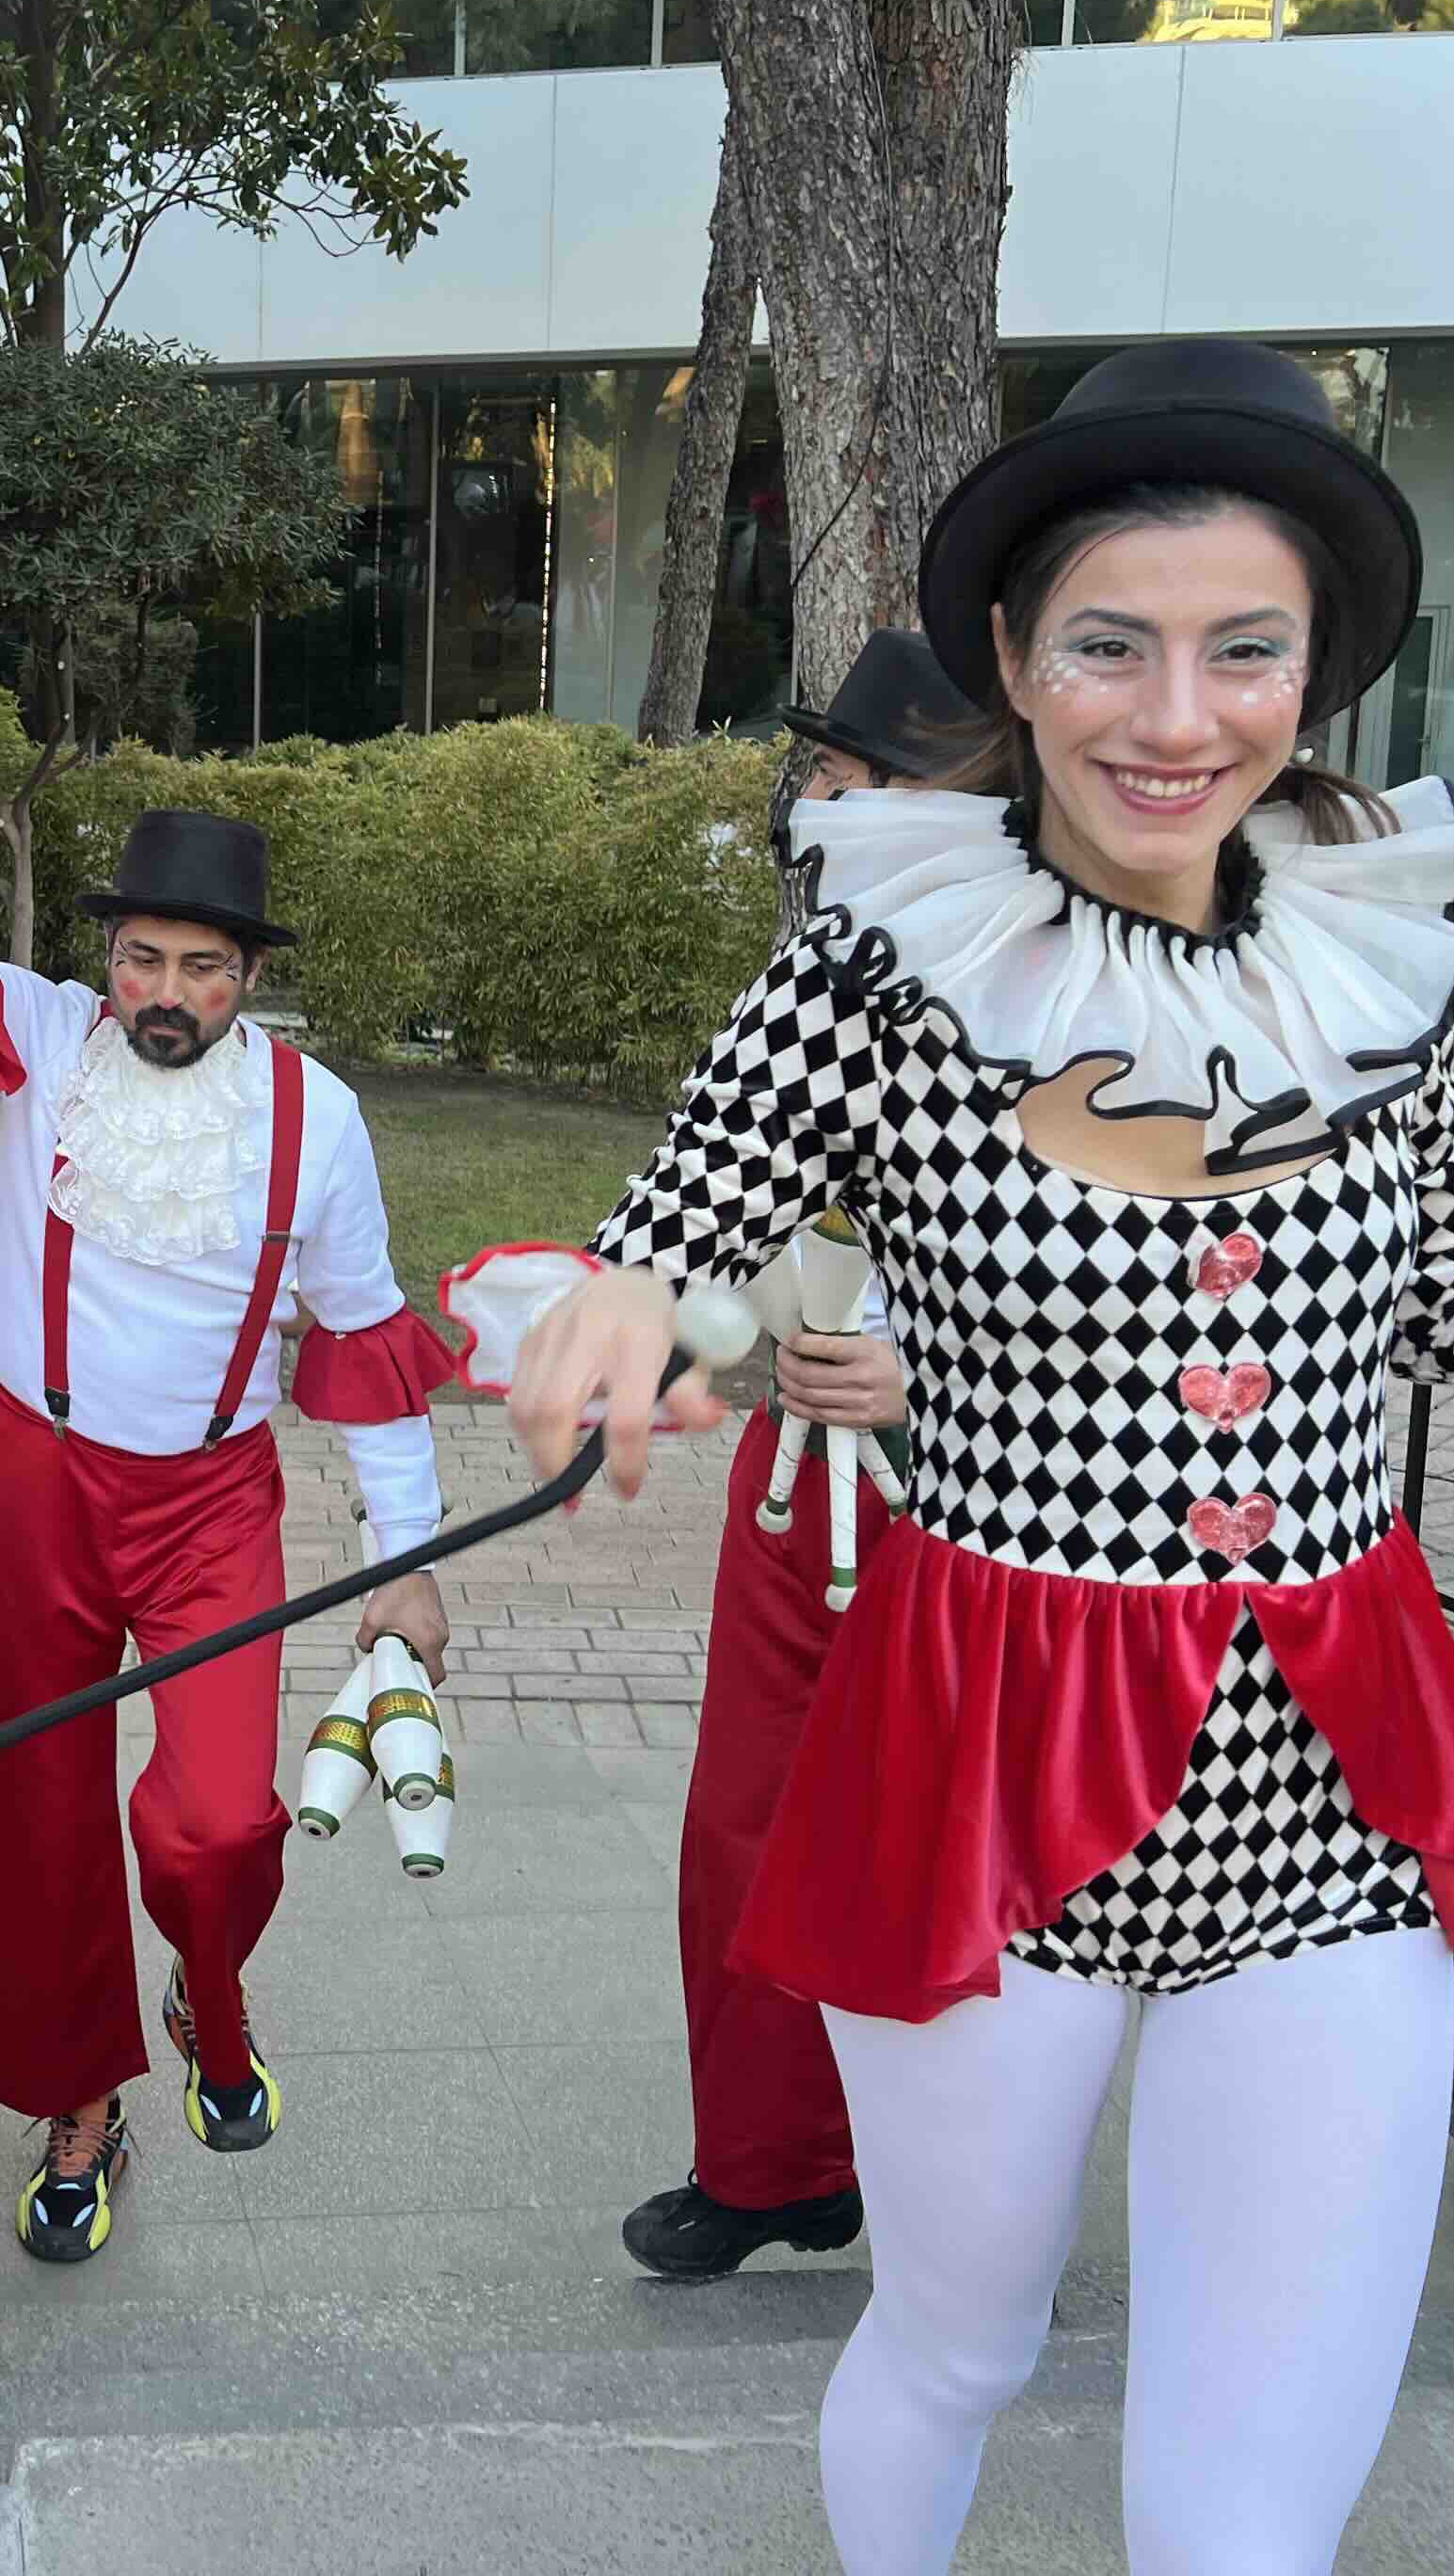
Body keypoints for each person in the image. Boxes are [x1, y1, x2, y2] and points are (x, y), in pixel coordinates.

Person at [484, 342, 1454, 2576]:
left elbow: (1436, 1300)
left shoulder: (1368, 972)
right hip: (987, 1751)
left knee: (1246, 2508)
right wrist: (628, 1303)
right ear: (1015, 656)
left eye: (1248, 651)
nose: (1177, 715)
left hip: (1329, 1773)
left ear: (1314, 675)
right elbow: (679, 1229)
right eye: (1110, 645)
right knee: (959, 2345)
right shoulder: (882, 966)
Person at [0, 675, 459, 2266]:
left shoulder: (317, 1122)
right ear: (108, 956)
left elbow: (365, 1339)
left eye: (200, 966)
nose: (163, 992)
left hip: (209, 1505)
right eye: (141, 957)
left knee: (215, 1824)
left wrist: (407, 1564)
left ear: (250, 977)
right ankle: (80, 2103)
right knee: (40, 1818)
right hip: (35, 1482)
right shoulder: (42, 1036)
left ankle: (200, 1986)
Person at [621, 631, 974, 2285]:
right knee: (744, 1825)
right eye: (815, 776)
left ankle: (965, 2197)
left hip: (986, 1506)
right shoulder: (817, 986)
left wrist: (934, 1368)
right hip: (797, 1479)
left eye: (843, 779)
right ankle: (771, 2164)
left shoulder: (1073, 1003)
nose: (810, 806)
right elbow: (693, 1210)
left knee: (954, 1855)